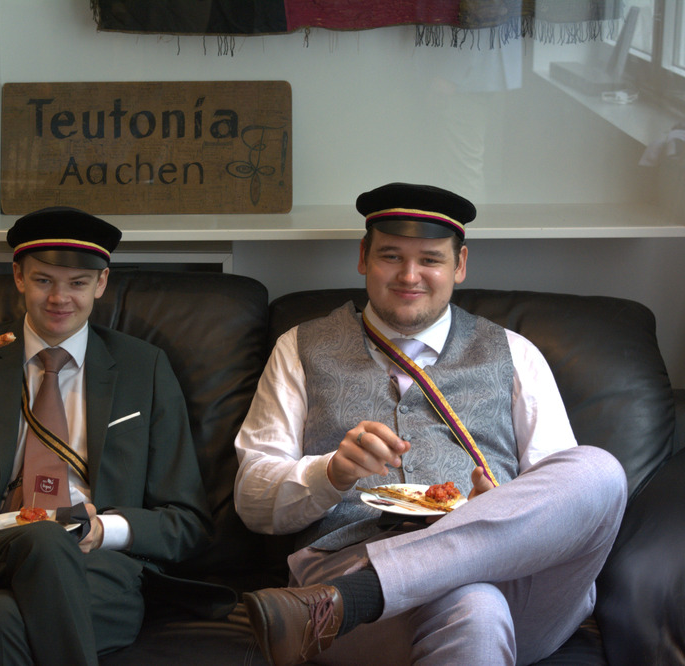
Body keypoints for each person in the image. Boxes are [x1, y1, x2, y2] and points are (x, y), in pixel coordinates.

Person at [234, 182, 628, 666]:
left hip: (511, 585)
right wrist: (330, 473)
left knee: (600, 470)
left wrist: (496, 510)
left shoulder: (515, 354)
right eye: (391, 256)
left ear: (459, 265)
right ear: (363, 257)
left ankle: (350, 601)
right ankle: (356, 594)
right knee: (474, 607)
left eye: (430, 260)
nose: (410, 275)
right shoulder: (299, 347)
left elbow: (570, 505)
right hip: (347, 566)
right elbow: (252, 501)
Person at [0, 206, 213, 666]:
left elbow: (188, 523)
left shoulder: (144, 368)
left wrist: (101, 530)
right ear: (18, 277)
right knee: (44, 538)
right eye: (43, 280)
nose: (59, 298)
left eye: (78, 283)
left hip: (100, 569)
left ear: (101, 283)